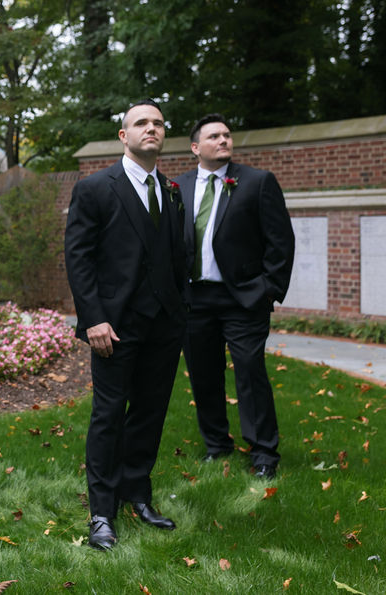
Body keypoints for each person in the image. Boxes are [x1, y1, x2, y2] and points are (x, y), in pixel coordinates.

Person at [64, 99, 186, 550]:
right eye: (141, 123)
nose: (151, 129)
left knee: (150, 413)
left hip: (164, 326)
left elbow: (177, 256)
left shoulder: (171, 190)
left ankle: (138, 494)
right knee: (109, 415)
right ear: (124, 135)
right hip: (113, 327)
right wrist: (93, 318)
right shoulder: (96, 188)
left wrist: (183, 310)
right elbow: (78, 258)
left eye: (158, 123)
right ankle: (101, 511)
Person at [175, 113, 295, 478]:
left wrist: (267, 290)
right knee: (203, 375)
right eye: (214, 136)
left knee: (250, 372)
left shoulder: (257, 182)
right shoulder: (177, 187)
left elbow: (280, 241)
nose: (223, 140)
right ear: (196, 147)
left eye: (227, 135)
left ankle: (264, 453)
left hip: (243, 299)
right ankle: (217, 445)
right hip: (195, 300)